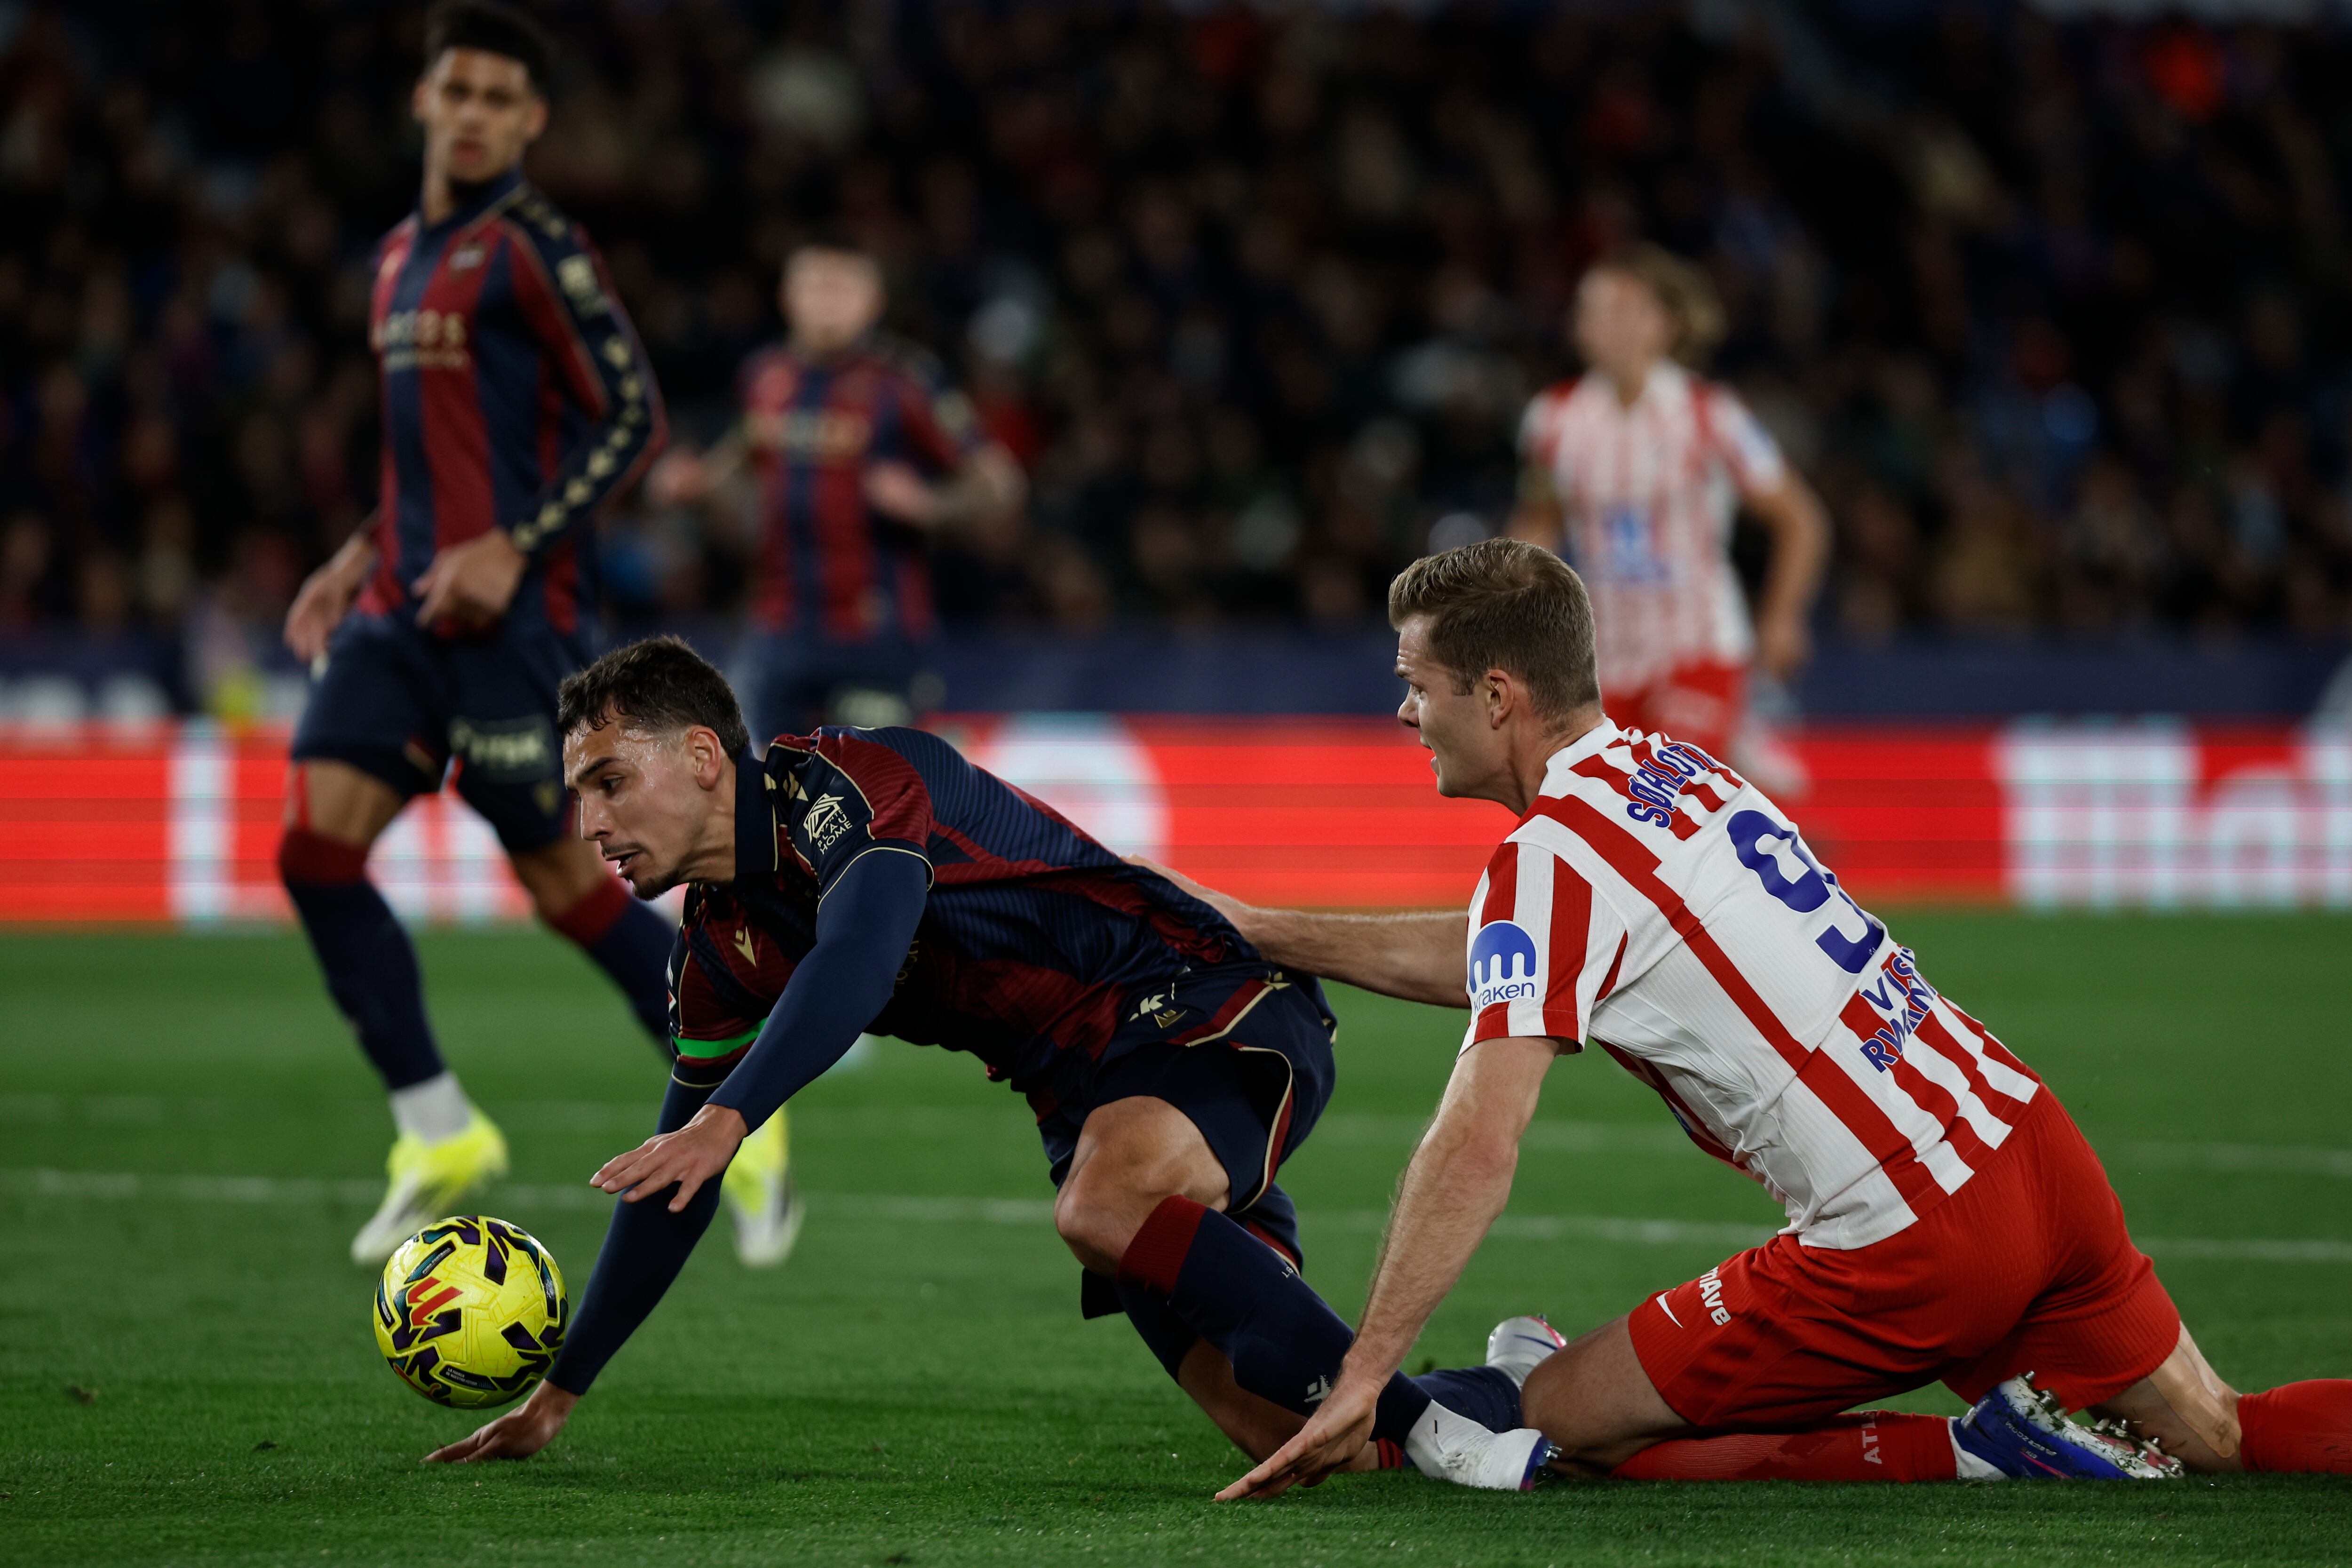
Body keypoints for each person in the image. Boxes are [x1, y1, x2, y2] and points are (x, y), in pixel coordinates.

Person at [1192, 539, 2352, 1496]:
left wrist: (1365, 1376)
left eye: (1417, 686)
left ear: (1497, 696)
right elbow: (1513, 956)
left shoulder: (1549, 858)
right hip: (2025, 1147)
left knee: (1560, 1422)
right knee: (2224, 1434)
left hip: (1906, 1236)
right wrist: (1266, 930)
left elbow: (1479, 1142)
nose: (1404, 713)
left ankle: (1976, 1449)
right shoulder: (1674, 768)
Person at [421, 636, 1549, 1489]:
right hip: (1084, 1095)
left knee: (1101, 1205)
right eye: (578, 794)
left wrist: (733, 1115)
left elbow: (860, 956)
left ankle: (1429, 1427)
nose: (588, 822)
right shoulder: (718, 949)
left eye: (609, 780)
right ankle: (1512, 1388)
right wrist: (564, 1387)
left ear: (705, 756)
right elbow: (674, 1183)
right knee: (1293, 1443)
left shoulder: (853, 781)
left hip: (1194, 994)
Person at [274, 2, 795, 1269]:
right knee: (313, 849)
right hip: (401, 613)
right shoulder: (401, 256)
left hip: (520, 626)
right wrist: (355, 557)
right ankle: (436, 1124)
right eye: (456, 91)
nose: (472, 115)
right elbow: (428, 459)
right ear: (425, 100)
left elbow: (632, 416)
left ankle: (746, 1103)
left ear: (531, 122)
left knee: (569, 886)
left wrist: (516, 540)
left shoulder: (534, 249)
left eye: (500, 100)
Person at [647, 235, 1025, 740]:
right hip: (777, 627)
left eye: (842, 287)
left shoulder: (903, 381)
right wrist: (689, 485)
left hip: (875, 631)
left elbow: (1001, 482)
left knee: (872, 802)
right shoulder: (766, 377)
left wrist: (929, 505)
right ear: (788, 296)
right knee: (765, 793)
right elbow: (735, 467)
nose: (827, 300)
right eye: (815, 285)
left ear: (874, 301)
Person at [1508, 244, 1828, 767]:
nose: (1610, 325)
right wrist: (1516, 616)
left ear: (1665, 324)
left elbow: (1800, 518)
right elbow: (1538, 521)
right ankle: (1764, 810)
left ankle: (1751, 780)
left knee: (1669, 795)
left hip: (1697, 647)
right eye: (1594, 311)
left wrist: (1782, 617)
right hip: (1600, 658)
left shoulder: (1710, 415)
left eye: (1626, 309)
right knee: (1614, 818)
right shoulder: (1552, 420)